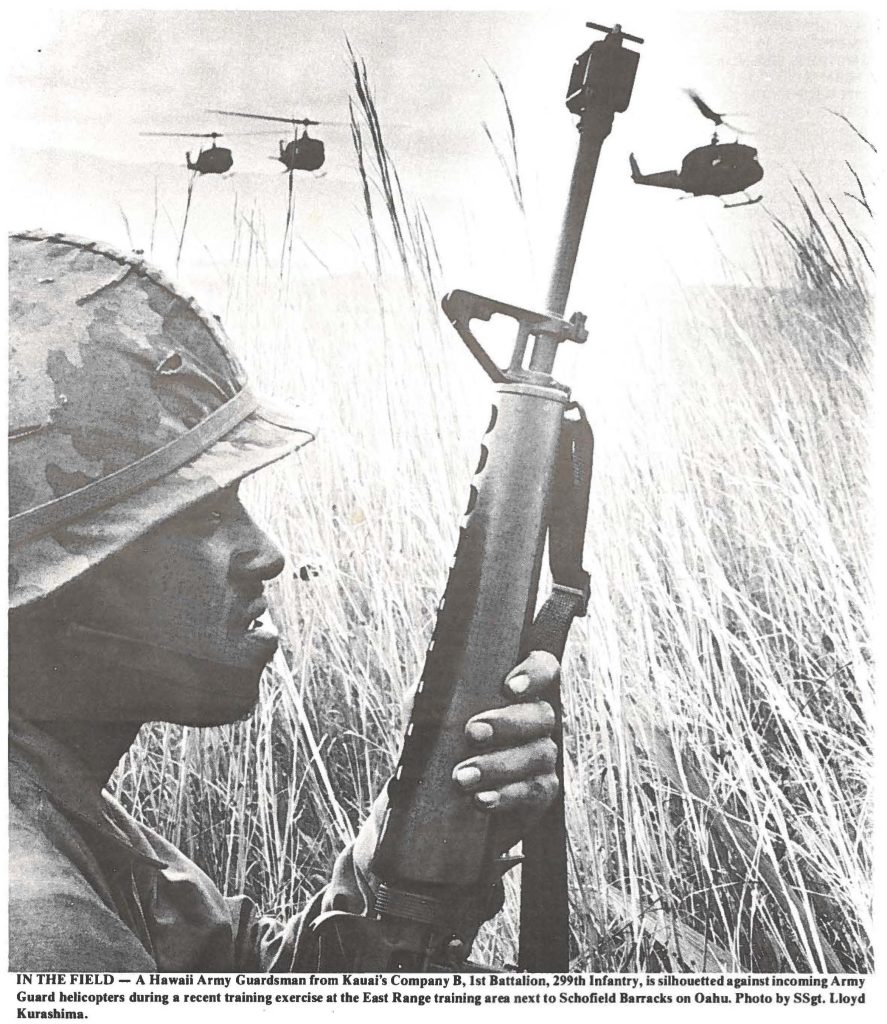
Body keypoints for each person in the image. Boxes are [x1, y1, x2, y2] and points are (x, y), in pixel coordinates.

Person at [7, 231, 560, 971]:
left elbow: (241, 975)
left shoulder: (45, 785)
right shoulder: (39, 932)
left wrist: (417, 836)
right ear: (48, 578)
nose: (265, 553)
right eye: (196, 514)